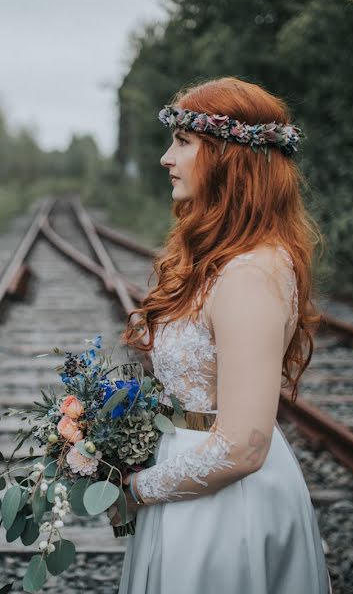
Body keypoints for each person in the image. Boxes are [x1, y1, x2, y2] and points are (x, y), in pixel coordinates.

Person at [116, 77, 331, 593]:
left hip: (226, 510)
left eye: (182, 143)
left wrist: (136, 489)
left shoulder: (251, 275)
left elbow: (242, 447)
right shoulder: (221, 261)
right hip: (190, 482)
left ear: (229, 158)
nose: (166, 159)